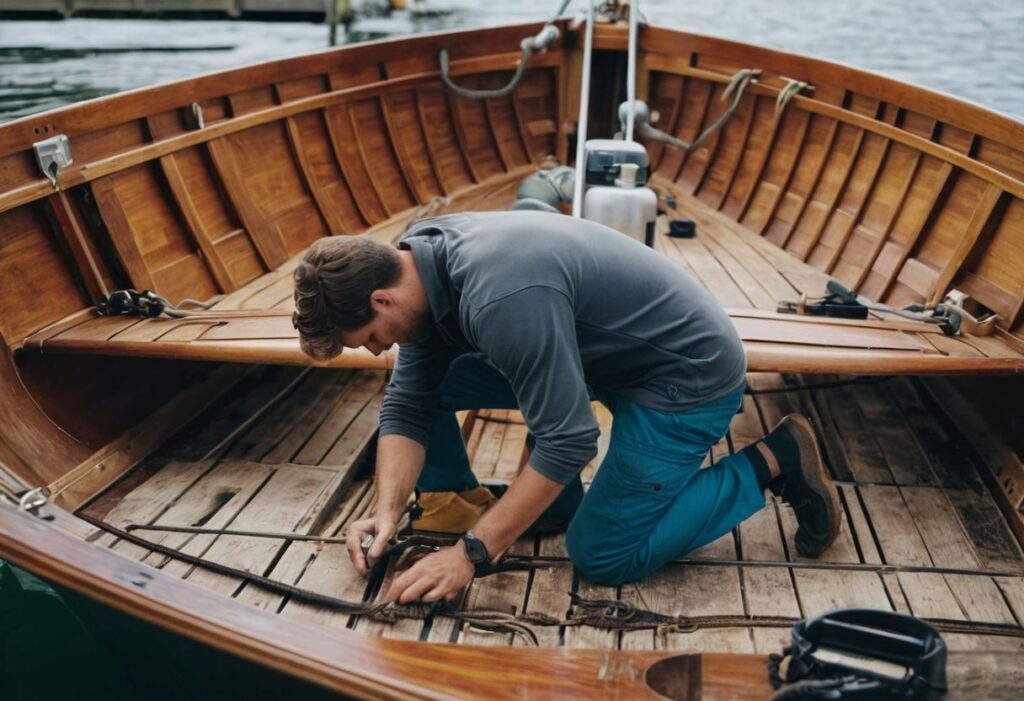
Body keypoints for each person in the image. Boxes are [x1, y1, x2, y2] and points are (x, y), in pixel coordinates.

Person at [292, 211, 840, 604]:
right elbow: (409, 404)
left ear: (381, 299)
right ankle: (501, 500)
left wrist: (470, 555)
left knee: (604, 556)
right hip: (599, 357)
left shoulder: (498, 297)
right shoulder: (416, 258)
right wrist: (387, 510)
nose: (373, 349)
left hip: (682, 377)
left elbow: (571, 439)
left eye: (366, 335)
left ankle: (772, 461)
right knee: (424, 385)